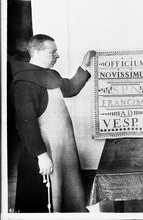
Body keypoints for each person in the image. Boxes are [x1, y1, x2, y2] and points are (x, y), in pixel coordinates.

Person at [10, 34, 96, 212]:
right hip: (45, 151)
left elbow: (71, 88)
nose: (57, 56)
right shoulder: (25, 83)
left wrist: (83, 66)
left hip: (63, 148)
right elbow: (26, 124)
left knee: (68, 191)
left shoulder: (49, 75)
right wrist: (42, 156)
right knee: (47, 198)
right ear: (38, 53)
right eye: (53, 52)